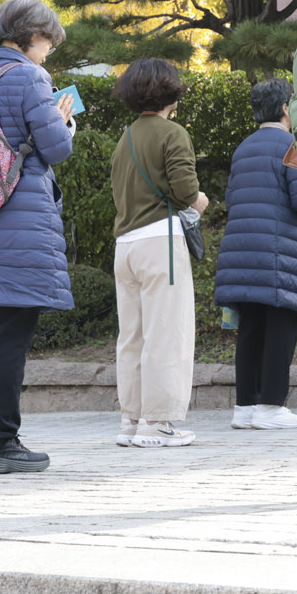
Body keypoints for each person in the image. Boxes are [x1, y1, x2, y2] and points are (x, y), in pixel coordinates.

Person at [0, 0, 77, 474]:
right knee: (13, 334)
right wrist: (64, 120)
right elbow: (54, 148)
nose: (48, 50)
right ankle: (1, 441)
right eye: (47, 40)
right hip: (21, 220)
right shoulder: (30, 77)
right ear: (30, 34)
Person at [109, 58, 208, 448]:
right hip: (159, 244)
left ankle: (130, 420)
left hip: (126, 246)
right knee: (165, 333)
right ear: (171, 92)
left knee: (131, 336)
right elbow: (185, 191)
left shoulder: (125, 137)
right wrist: (198, 202)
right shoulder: (172, 132)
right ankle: (157, 422)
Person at [216, 78, 297, 431]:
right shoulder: (293, 146)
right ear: (286, 108)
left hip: (242, 252)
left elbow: (233, 199)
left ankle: (245, 406)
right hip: (278, 254)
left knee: (250, 331)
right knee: (280, 327)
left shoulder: (243, 148)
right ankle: (272, 407)